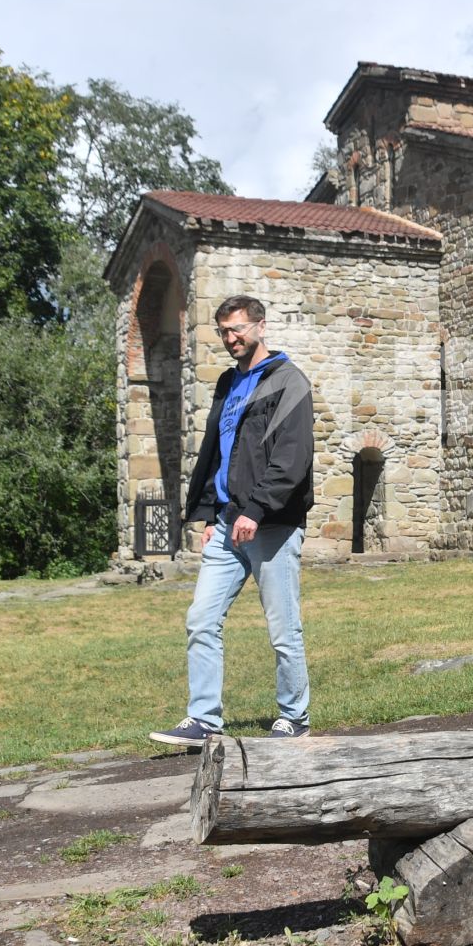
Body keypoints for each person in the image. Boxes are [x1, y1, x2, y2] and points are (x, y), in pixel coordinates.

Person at [150, 295, 317, 747]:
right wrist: (208, 513)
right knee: (201, 618)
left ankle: (293, 715)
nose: (230, 339)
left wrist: (256, 509)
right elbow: (217, 453)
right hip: (228, 524)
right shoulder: (227, 383)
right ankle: (203, 720)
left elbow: (292, 460)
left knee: (283, 627)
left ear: (261, 326)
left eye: (237, 329)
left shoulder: (289, 382)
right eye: (223, 331)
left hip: (273, 525)